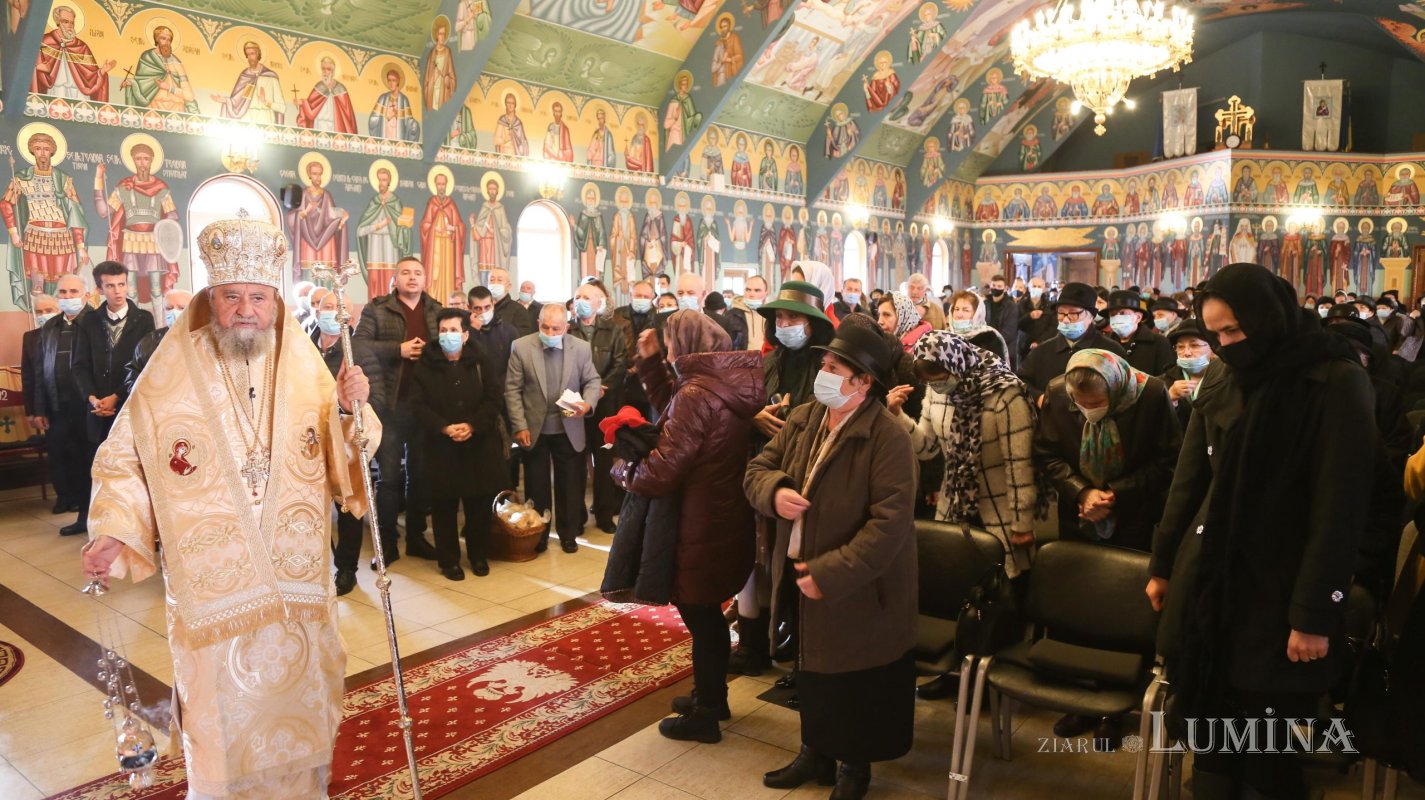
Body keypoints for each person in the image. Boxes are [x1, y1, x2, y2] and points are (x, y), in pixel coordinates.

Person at [79, 214, 376, 798]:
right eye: (233, 296)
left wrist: (350, 410)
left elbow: (350, 457)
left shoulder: (304, 366)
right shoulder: (170, 371)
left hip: (297, 580)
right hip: (215, 590)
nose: (246, 309)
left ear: (275, 303)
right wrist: (114, 528)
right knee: (220, 714)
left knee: (301, 705)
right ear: (211, 300)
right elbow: (126, 455)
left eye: (258, 297)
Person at [1147, 264, 1374, 799]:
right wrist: (1162, 565)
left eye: (1233, 331)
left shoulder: (1335, 380)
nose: (1225, 345)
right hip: (1215, 582)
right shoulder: (1226, 373)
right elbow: (1190, 477)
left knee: (1267, 752)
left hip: (1282, 592)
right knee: (1211, 737)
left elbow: (1338, 508)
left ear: (1268, 315)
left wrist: (1313, 615)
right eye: (1216, 333)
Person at [744, 324, 918, 800]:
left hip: (860, 582)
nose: (822, 373)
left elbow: (889, 526)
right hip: (801, 569)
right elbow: (757, 468)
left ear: (862, 382)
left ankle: (853, 769)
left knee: (853, 677)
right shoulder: (805, 418)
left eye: (833, 368)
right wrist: (776, 491)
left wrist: (830, 573)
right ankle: (813, 753)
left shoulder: (887, 439)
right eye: (823, 364)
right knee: (811, 670)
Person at [619, 311, 764, 742]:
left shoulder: (697, 394)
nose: (666, 350)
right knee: (706, 614)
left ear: (684, 344)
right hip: (721, 514)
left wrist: (621, 471)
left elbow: (662, 470)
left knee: (701, 617)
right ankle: (712, 696)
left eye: (667, 343)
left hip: (699, 521)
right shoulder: (720, 381)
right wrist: (650, 365)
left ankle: (706, 713)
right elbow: (675, 405)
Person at [1033, 348, 1179, 742]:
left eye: (1096, 405)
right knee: (1078, 605)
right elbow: (1046, 454)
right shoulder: (1058, 391)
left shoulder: (1150, 394)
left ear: (1115, 393)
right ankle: (1076, 699)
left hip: (1132, 515)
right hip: (1078, 514)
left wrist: (1115, 493)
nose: (1087, 410)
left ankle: (1115, 708)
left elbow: (1169, 460)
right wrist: (1082, 493)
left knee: (1122, 608)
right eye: (1079, 404)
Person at [890, 331, 1038, 700]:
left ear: (956, 364)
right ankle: (956, 673)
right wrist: (898, 417)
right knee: (957, 595)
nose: (936, 387)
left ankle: (990, 683)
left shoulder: (1004, 392)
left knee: (997, 598)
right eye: (929, 381)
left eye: (940, 377)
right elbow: (926, 448)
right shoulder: (937, 394)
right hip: (955, 506)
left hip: (1000, 510)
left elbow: (1019, 463)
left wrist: (1022, 523)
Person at [731, 280, 838, 676]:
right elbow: (748, 404)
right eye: (778, 317)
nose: (783, 324)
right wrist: (755, 415)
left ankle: (796, 651)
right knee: (755, 562)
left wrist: (791, 419)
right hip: (762, 469)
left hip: (805, 473)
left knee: (793, 562)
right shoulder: (768, 362)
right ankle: (753, 647)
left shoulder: (826, 365)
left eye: (792, 317)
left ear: (812, 323)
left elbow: (828, 414)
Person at [353, 256, 440, 564]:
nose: (412, 277)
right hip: (389, 405)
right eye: (405, 272)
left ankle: (416, 537)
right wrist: (398, 350)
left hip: (425, 407)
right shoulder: (377, 309)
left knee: (421, 476)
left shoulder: (437, 310)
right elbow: (359, 345)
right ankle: (387, 544)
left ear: (425, 278)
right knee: (389, 479)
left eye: (417, 272)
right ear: (395, 278)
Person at [410, 308, 508, 580]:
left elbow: (494, 399)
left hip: (478, 445)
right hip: (440, 447)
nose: (447, 335)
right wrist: (443, 426)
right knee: (443, 508)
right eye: (443, 330)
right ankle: (449, 560)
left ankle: (478, 555)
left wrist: (472, 425)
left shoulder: (481, 361)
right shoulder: (426, 364)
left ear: (465, 335)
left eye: (454, 330)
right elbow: (417, 405)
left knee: (478, 507)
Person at [505, 304, 602, 552]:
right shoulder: (521, 346)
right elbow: (512, 390)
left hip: (569, 425)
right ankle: (539, 534)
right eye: (545, 326)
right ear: (538, 323)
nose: (550, 331)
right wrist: (519, 425)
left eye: (556, 328)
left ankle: (569, 534)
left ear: (566, 328)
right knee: (537, 486)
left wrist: (586, 403)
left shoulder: (580, 348)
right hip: (534, 427)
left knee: (570, 484)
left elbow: (592, 380)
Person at [71, 261, 155, 535]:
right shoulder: (88, 321)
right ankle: (96, 522)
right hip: (97, 408)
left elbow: (143, 365)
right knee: (97, 464)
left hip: (128, 405)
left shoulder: (143, 319)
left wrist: (117, 397)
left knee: (132, 465)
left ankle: (136, 525)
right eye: (110, 285)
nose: (118, 291)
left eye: (121, 284)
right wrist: (93, 398)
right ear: (100, 288)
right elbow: (80, 365)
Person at [306, 290, 371, 596]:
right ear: (316, 311)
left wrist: (349, 408)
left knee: (347, 506)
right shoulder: (301, 346)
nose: (332, 312)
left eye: (338, 308)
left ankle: (346, 568)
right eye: (326, 306)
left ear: (350, 316)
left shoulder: (360, 350)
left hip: (346, 441)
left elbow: (377, 396)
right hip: (307, 442)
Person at [569, 281, 628, 532]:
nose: (581, 300)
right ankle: (578, 516)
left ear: (598, 302)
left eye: (586, 297)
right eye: (578, 296)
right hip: (575, 405)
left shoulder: (612, 330)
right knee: (576, 461)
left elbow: (620, 362)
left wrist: (600, 388)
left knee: (603, 460)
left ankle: (604, 515)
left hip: (604, 404)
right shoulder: (568, 330)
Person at [31, 275, 89, 519]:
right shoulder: (50, 327)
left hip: (88, 407)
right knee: (61, 454)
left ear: (85, 295)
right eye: (63, 293)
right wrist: (39, 408)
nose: (68, 297)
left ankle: (86, 505)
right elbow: (40, 371)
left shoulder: (95, 322)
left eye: (73, 292)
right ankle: (68, 499)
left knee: (84, 457)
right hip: (57, 406)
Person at [1017, 282, 1127, 399]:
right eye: (1061, 313)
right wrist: (1039, 398)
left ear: (1091, 316)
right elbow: (1020, 381)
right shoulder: (1042, 351)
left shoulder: (1111, 351)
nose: (1065, 320)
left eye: (1073, 313)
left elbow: (1125, 393)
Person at [123, 288, 191, 397]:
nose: (174, 312)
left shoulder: (204, 340)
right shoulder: (149, 341)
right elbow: (134, 374)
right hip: (157, 405)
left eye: (181, 308)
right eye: (169, 308)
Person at [1103, 290, 1176, 375]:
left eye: (1122, 313)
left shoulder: (1159, 343)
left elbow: (1165, 378)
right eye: (1112, 314)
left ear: (1138, 317)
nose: (1117, 317)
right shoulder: (1105, 342)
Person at [1160, 319, 1214, 432]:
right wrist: (1170, 398)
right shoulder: (1163, 382)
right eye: (1180, 347)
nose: (1187, 353)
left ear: (1212, 348)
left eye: (1194, 345)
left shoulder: (1226, 378)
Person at [946, 290, 1009, 360]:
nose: (959, 315)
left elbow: (997, 368)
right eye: (956, 309)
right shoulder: (945, 335)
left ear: (977, 314)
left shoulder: (989, 338)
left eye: (966, 310)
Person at [983, 274, 1021, 368]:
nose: (996, 288)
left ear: (1005, 288)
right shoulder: (984, 304)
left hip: (1004, 350)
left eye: (999, 286)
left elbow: (1009, 332)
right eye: (994, 286)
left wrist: (991, 341)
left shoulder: (1011, 307)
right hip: (986, 349)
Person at [487, 267, 533, 336]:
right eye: (491, 280)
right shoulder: (482, 308)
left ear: (508, 286)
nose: (495, 283)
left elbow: (521, 339)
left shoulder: (519, 310)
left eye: (499, 280)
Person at [1018, 276, 1055, 358]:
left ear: (1044, 289)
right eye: (1034, 286)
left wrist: (1039, 342)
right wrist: (1029, 316)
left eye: (1039, 287)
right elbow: (1017, 324)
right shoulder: (1021, 304)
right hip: (1024, 347)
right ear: (1029, 288)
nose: (1036, 289)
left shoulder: (1050, 306)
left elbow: (1053, 327)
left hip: (1045, 346)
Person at [733, 274, 770, 351]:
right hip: (742, 360)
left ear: (766, 293)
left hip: (767, 359)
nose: (751, 294)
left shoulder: (772, 314)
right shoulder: (733, 315)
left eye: (757, 290)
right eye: (748, 290)